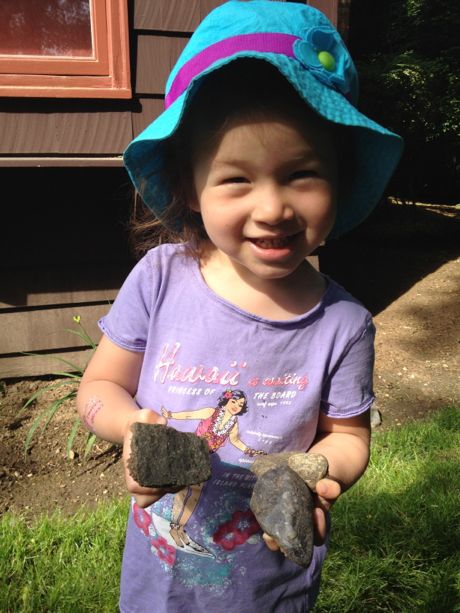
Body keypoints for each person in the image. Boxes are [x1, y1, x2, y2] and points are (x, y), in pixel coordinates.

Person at [76, 1, 403, 611]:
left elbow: (349, 437)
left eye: (302, 173)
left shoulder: (344, 325)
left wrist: (313, 473)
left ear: (341, 180)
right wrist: (130, 428)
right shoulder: (160, 279)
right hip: (157, 584)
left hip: (271, 585)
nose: (273, 207)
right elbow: (98, 386)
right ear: (189, 186)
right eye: (236, 179)